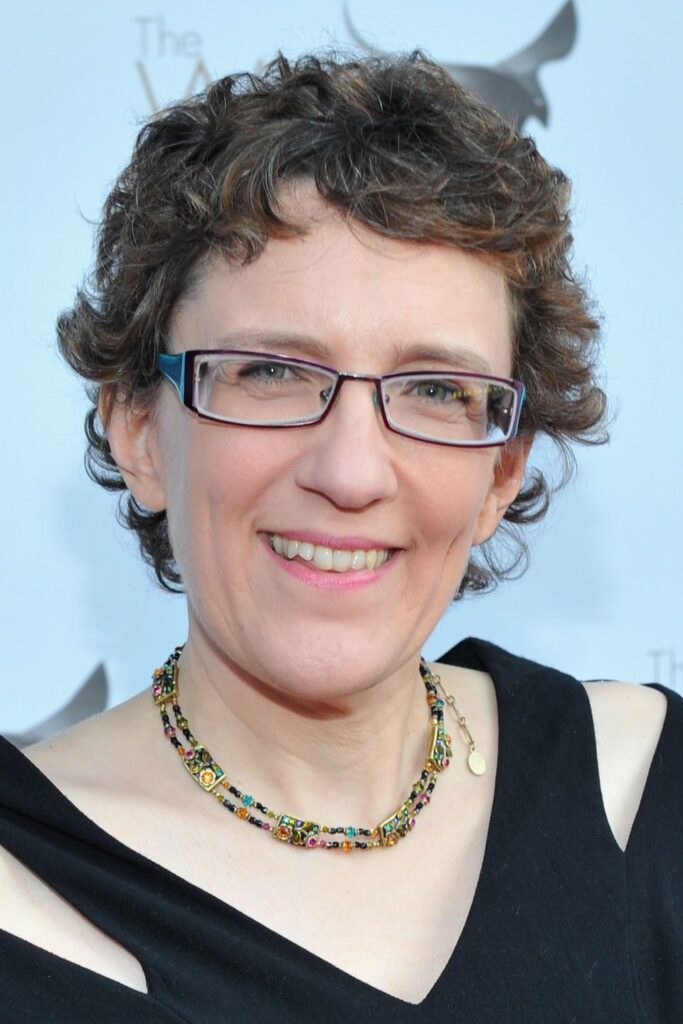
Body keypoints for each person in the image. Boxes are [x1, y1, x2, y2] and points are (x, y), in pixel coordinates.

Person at [1, 52, 680, 1022]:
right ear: (138, 428)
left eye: (435, 389)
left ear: (500, 472)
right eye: (269, 373)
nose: (351, 471)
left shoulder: (645, 787)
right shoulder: (18, 894)